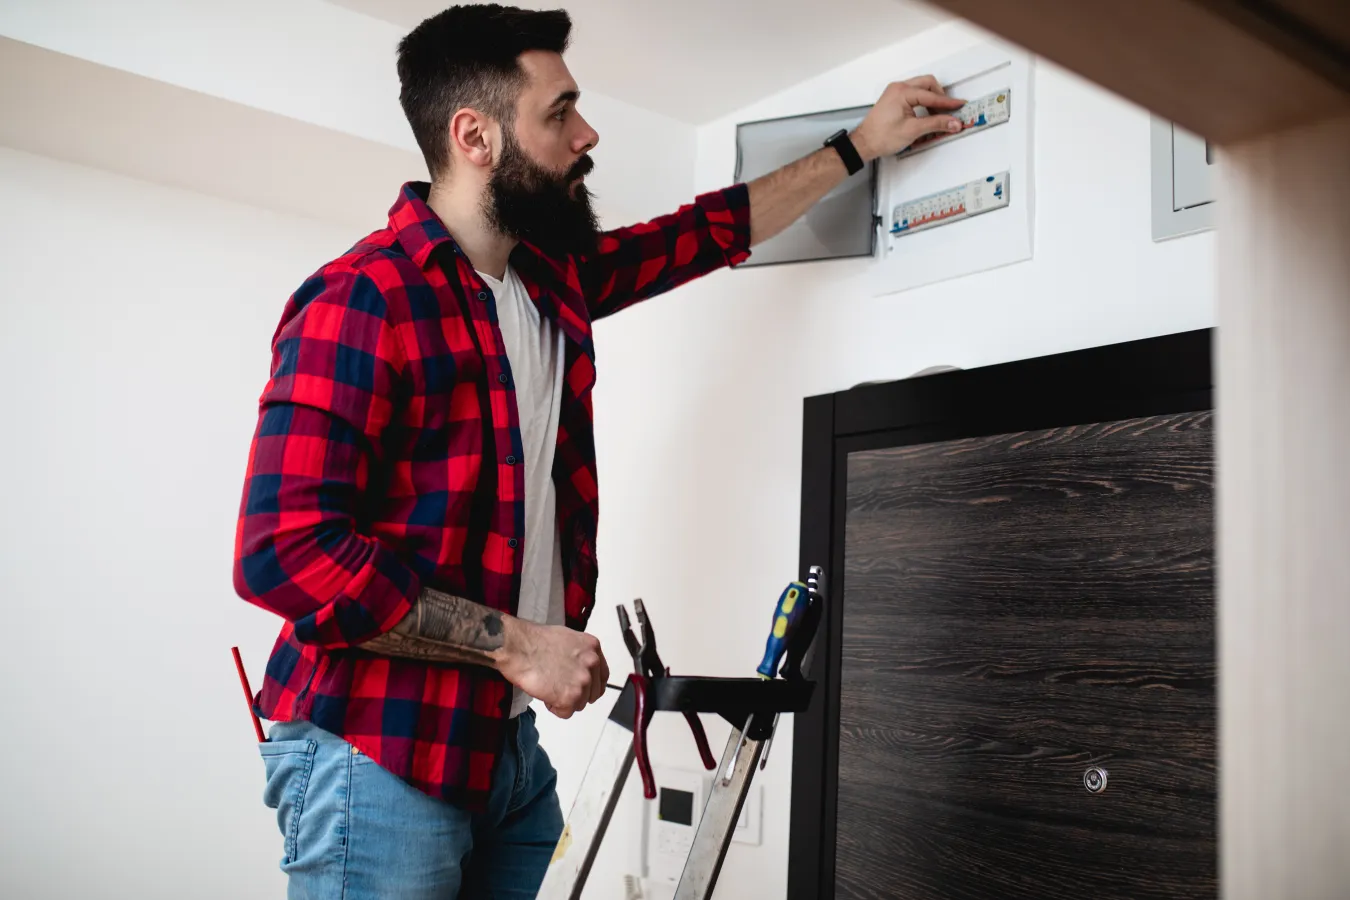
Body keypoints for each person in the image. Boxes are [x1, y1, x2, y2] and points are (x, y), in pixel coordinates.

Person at [231, 4, 965, 897]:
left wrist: (859, 145)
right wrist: (516, 646)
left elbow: (705, 234)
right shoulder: (363, 300)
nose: (588, 133)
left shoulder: (547, 283)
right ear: (475, 136)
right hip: (376, 750)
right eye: (559, 112)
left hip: (499, 750)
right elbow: (283, 554)